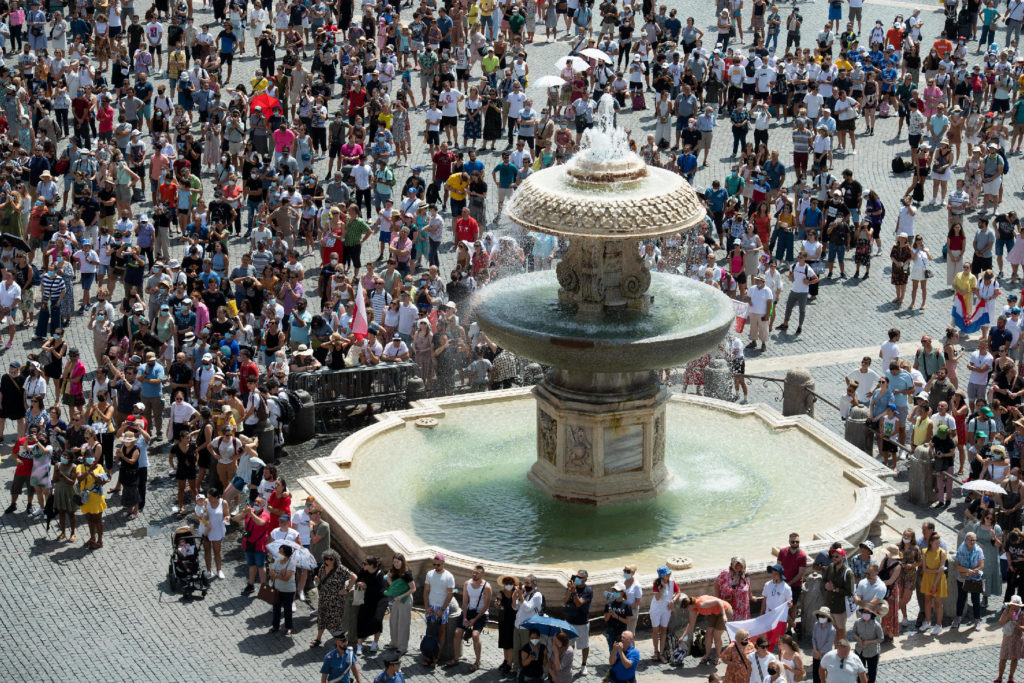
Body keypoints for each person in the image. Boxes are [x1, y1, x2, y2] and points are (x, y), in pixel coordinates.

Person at [310, 549, 355, 649]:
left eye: (331, 559)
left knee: (335, 620)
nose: (328, 561)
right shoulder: (322, 567)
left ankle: (339, 640)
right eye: (326, 558)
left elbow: (354, 577)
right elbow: (319, 582)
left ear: (335, 559)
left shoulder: (341, 569)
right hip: (323, 598)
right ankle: (318, 638)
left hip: (336, 600)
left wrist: (347, 589)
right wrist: (317, 581)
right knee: (321, 618)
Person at [452, 564, 492, 671]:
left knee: (475, 635)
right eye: (473, 572)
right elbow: (465, 602)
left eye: (477, 573)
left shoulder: (487, 587)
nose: (474, 574)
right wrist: (465, 617)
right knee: (457, 632)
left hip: (481, 614)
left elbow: (486, 606)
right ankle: (456, 658)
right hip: (469, 611)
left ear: (482, 574)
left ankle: (477, 661)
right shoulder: (467, 584)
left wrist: (474, 620)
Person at [422, 553, 455, 667]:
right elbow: (426, 591)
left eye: (438, 565)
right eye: (434, 564)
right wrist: (427, 607)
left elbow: (450, 595)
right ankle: (428, 655)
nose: (435, 566)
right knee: (430, 631)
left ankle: (437, 656)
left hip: (442, 608)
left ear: (443, 563)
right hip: (431, 606)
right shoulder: (429, 574)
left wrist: (443, 609)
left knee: (441, 631)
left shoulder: (449, 576)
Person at [563, 568, 594, 675]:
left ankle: (584, 665)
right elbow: (565, 600)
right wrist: (569, 590)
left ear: (585, 579)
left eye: (580, 578)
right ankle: (569, 663)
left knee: (584, 645)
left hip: (582, 622)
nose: (577, 579)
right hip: (569, 621)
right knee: (569, 644)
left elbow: (578, 603)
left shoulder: (588, 591)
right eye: (576, 577)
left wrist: (574, 592)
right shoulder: (571, 587)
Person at [998, 594, 1024, 683]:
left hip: (1017, 639)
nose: (1015, 607)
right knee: (1003, 658)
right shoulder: (1006, 611)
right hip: (1007, 638)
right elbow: (1001, 623)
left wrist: (1017, 625)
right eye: (1014, 605)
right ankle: (999, 677)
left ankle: (1011, 677)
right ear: (1010, 605)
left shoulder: (1022, 614)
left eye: (1017, 606)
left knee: (1014, 659)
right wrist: (1008, 615)